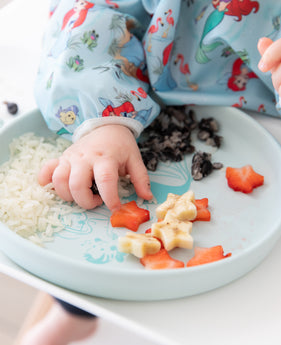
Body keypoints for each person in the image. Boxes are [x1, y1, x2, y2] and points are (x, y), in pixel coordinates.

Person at [22, 1, 281, 344]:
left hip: (266, 124)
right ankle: (75, 314)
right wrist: (104, 116)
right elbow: (92, 12)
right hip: (131, 101)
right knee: (90, 215)